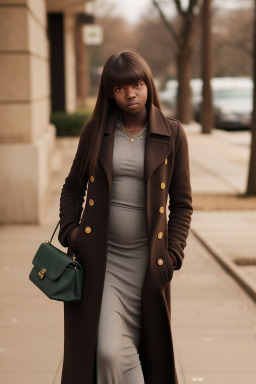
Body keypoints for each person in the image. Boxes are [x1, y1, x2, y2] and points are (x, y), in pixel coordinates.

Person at [58, 51, 193, 384]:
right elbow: (71, 188)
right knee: (106, 351)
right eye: (120, 89)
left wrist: (172, 255)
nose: (130, 94)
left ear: (148, 84)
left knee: (143, 352)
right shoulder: (95, 133)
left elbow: (183, 203)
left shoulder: (172, 134)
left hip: (149, 265)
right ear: (110, 93)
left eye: (136, 84)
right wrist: (73, 234)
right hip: (104, 263)